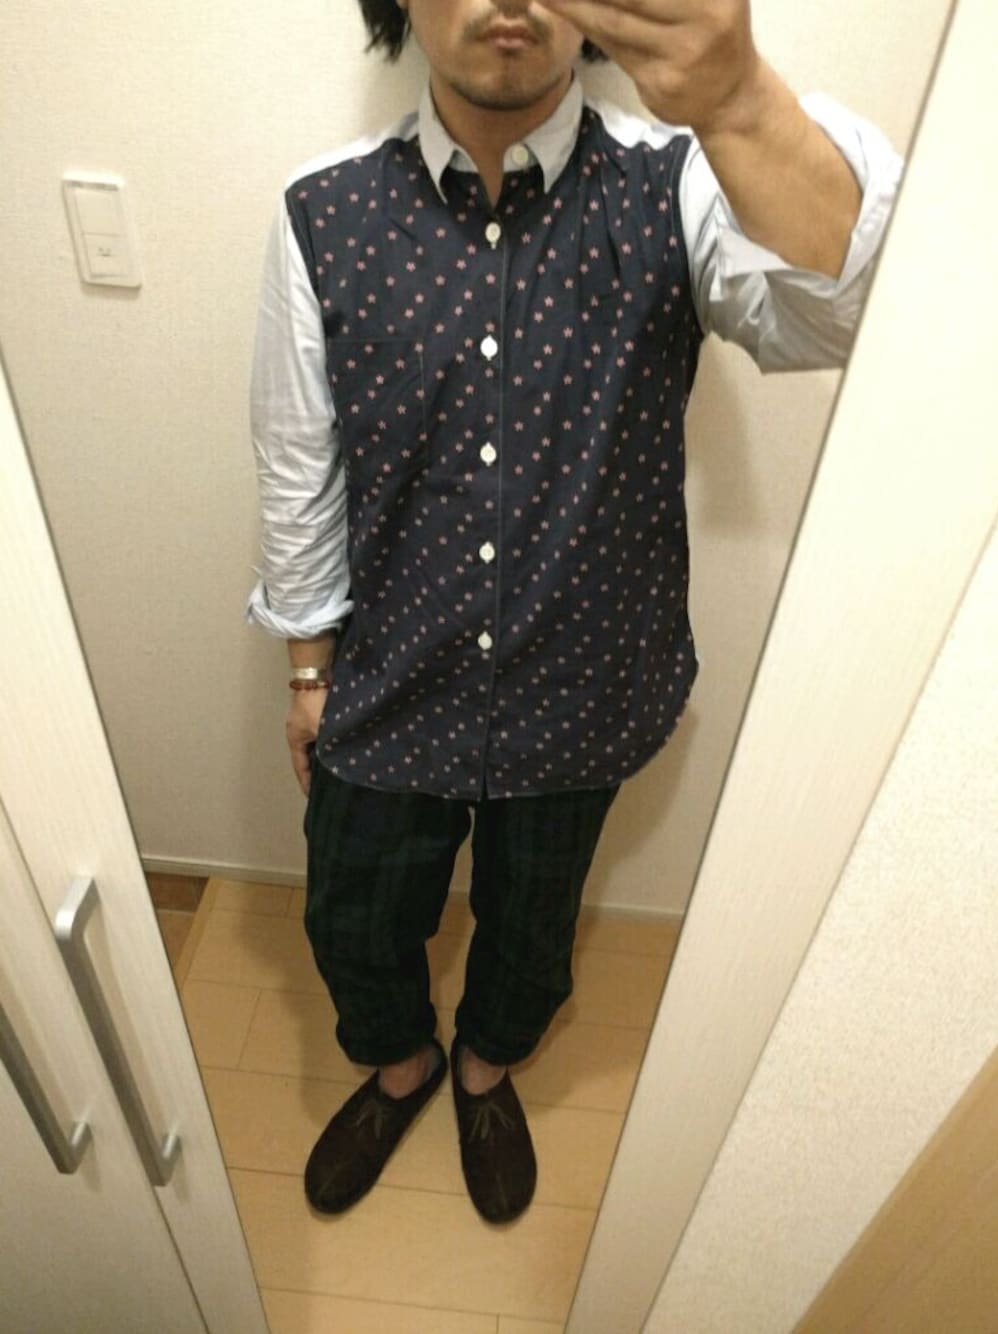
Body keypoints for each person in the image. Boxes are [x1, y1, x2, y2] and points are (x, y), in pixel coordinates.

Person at [247, 0, 901, 1224]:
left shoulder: (681, 183)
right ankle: (401, 1064)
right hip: (391, 673)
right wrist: (308, 669)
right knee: (353, 913)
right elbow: (298, 461)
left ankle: (487, 1066)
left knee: (535, 921)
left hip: (586, 671)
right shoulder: (321, 210)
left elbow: (853, 313)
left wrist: (741, 100)